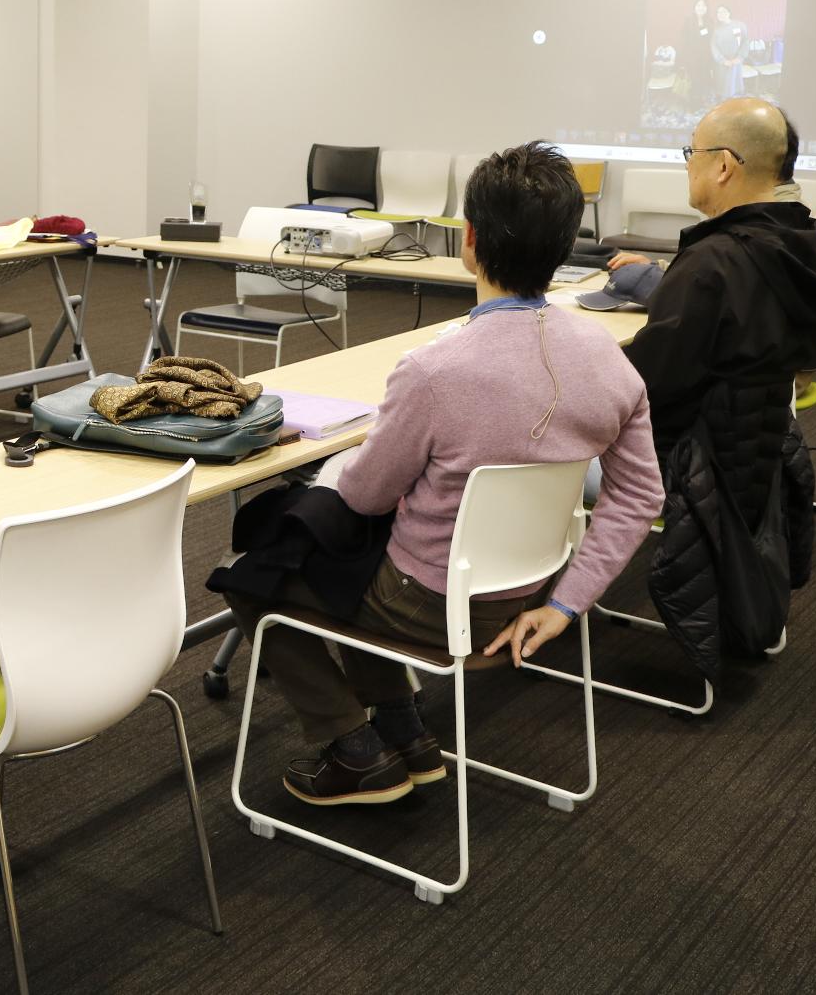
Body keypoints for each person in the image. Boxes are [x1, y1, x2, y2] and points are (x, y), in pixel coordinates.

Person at [216, 143, 664, 806]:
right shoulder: (611, 361)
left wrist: (334, 470)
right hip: (528, 597)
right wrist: (568, 603)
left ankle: (352, 746)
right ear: (570, 244)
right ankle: (405, 729)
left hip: (429, 607)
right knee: (359, 554)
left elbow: (368, 492)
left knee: (257, 574)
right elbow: (640, 494)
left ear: (470, 240)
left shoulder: (434, 371)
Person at [608, 98, 816, 457]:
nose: (688, 164)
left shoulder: (710, 265)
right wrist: (672, 279)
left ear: (723, 165)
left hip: (680, 467)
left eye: (692, 151)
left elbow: (638, 389)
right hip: (760, 461)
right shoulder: (805, 246)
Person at [680, 0, 714, 103]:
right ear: (694, 7)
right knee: (693, 79)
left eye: (703, 5)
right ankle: (693, 102)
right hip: (692, 57)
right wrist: (684, 58)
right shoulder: (688, 20)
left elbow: (712, 38)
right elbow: (683, 40)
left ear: (707, 8)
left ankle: (701, 99)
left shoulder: (709, 21)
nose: (701, 7)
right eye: (698, 5)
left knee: (703, 77)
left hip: (705, 56)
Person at [711, 4, 748, 99]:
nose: (720, 14)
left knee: (734, 86)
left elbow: (745, 42)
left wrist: (740, 57)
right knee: (722, 87)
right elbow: (713, 46)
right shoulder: (716, 30)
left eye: (723, 11)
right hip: (722, 63)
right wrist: (722, 60)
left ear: (729, 12)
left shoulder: (740, 25)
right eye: (718, 12)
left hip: (736, 61)